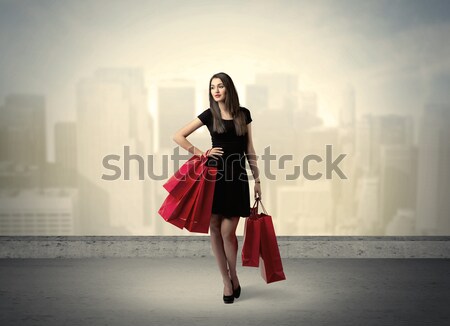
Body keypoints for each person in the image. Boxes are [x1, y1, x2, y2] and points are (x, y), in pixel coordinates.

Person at [172, 72, 262, 304]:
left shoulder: (244, 114)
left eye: (220, 86)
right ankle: (226, 281)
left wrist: (258, 180)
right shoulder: (209, 114)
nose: (216, 90)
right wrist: (201, 153)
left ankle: (234, 275)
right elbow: (178, 136)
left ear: (228, 88)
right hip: (213, 176)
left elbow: (249, 148)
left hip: (238, 177)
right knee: (214, 228)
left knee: (228, 233)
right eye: (213, 87)